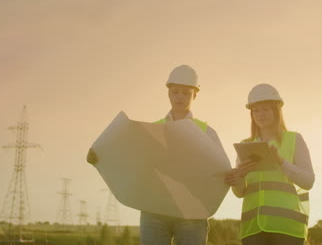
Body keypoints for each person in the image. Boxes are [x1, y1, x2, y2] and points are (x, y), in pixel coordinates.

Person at [87, 64, 225, 245]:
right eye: (175, 92)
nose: (180, 97)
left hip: (191, 214)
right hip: (154, 211)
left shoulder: (206, 132)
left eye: (185, 92)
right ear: (168, 93)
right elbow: (129, 158)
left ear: (195, 94)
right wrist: (100, 155)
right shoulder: (153, 130)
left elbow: (221, 170)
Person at [224, 83, 315, 245]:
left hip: (287, 227)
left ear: (276, 110)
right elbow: (240, 193)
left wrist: (281, 162)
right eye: (256, 110)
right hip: (253, 229)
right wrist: (238, 177)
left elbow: (308, 181)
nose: (260, 114)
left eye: (265, 109)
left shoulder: (294, 140)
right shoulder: (245, 146)